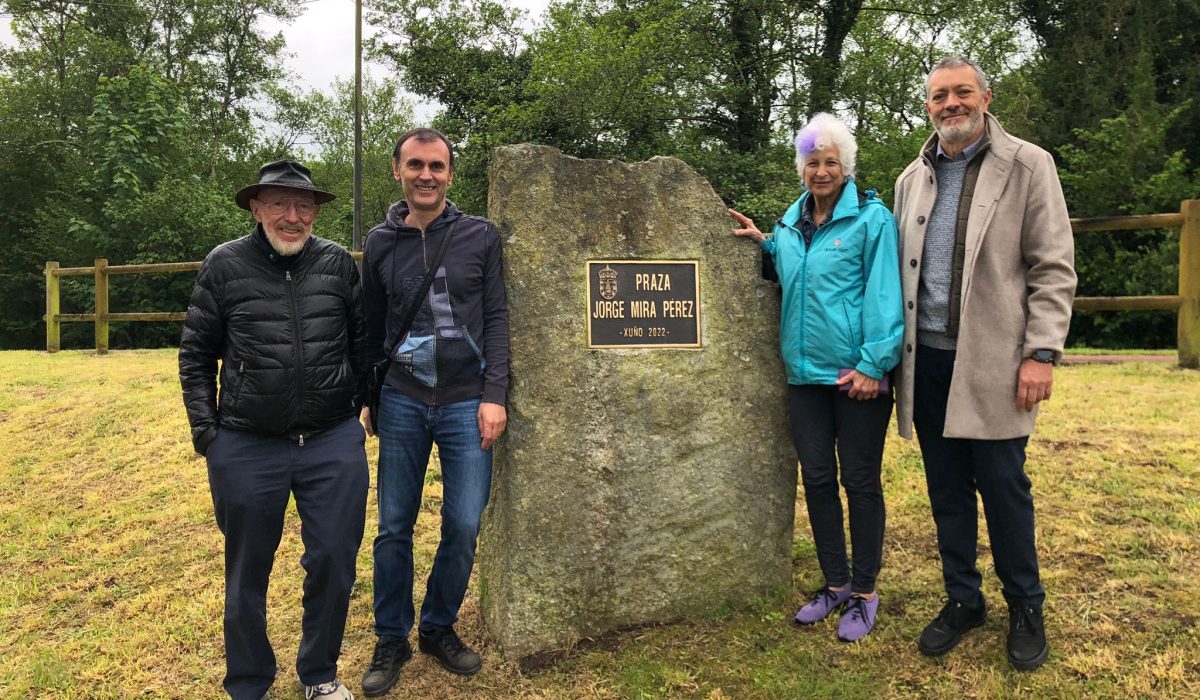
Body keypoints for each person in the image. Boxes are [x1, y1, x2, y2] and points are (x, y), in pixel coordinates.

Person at [893, 55, 1076, 671]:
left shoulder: (1030, 166)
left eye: (962, 92)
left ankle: (1026, 605)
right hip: (929, 365)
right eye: (940, 95)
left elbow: (1053, 268)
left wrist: (1041, 353)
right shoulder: (909, 180)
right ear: (927, 106)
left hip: (997, 363)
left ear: (985, 96)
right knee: (946, 491)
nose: (952, 104)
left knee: (1003, 488)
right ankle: (962, 600)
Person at [179, 160, 366, 700]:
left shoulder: (336, 264)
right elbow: (196, 355)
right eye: (279, 203)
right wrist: (208, 435)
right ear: (256, 208)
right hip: (245, 444)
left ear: (315, 212)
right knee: (246, 571)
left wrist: (354, 411)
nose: (292, 216)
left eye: (303, 205)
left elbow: (360, 344)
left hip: (331, 441)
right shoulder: (224, 265)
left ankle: (319, 675)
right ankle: (248, 682)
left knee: (334, 561)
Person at [728, 113, 904, 643]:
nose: (821, 171)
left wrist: (876, 365)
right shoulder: (790, 223)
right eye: (812, 162)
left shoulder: (871, 220)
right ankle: (835, 584)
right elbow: (795, 274)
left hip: (857, 379)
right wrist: (766, 243)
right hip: (804, 377)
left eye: (830, 162)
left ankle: (866, 593)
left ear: (845, 167)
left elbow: (885, 293)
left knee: (859, 481)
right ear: (801, 169)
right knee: (819, 481)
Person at [359, 128, 510, 695]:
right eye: (416, 165)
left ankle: (438, 626)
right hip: (400, 398)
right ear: (398, 170)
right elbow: (372, 329)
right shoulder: (379, 242)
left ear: (450, 174)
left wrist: (495, 394)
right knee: (394, 526)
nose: (427, 175)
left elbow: (496, 315)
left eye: (438, 167)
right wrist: (368, 399)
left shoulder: (480, 237)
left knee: (464, 521)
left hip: (468, 401)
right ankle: (390, 636)